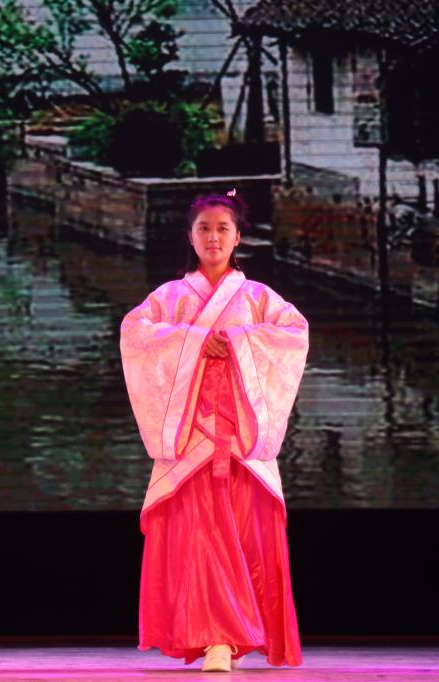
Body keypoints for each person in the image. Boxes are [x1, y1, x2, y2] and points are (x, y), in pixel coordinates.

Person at [120, 191, 307, 671]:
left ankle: (236, 637)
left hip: (242, 439)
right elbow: (135, 333)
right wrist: (198, 342)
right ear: (190, 236)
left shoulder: (259, 298)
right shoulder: (169, 298)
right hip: (192, 438)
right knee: (199, 538)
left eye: (223, 228)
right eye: (203, 228)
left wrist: (238, 342)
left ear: (238, 237)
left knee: (246, 536)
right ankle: (216, 638)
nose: (213, 237)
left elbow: (294, 334)